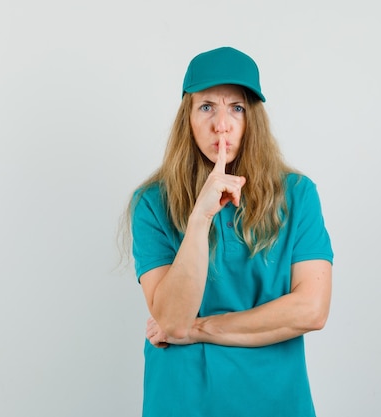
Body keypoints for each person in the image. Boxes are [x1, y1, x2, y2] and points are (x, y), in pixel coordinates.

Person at [127, 46, 333, 417]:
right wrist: (200, 217)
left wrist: (198, 329)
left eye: (236, 108)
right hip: (183, 400)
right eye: (207, 106)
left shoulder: (298, 195)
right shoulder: (151, 203)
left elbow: (311, 311)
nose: (221, 124)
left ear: (253, 118)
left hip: (274, 399)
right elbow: (172, 320)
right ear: (187, 118)